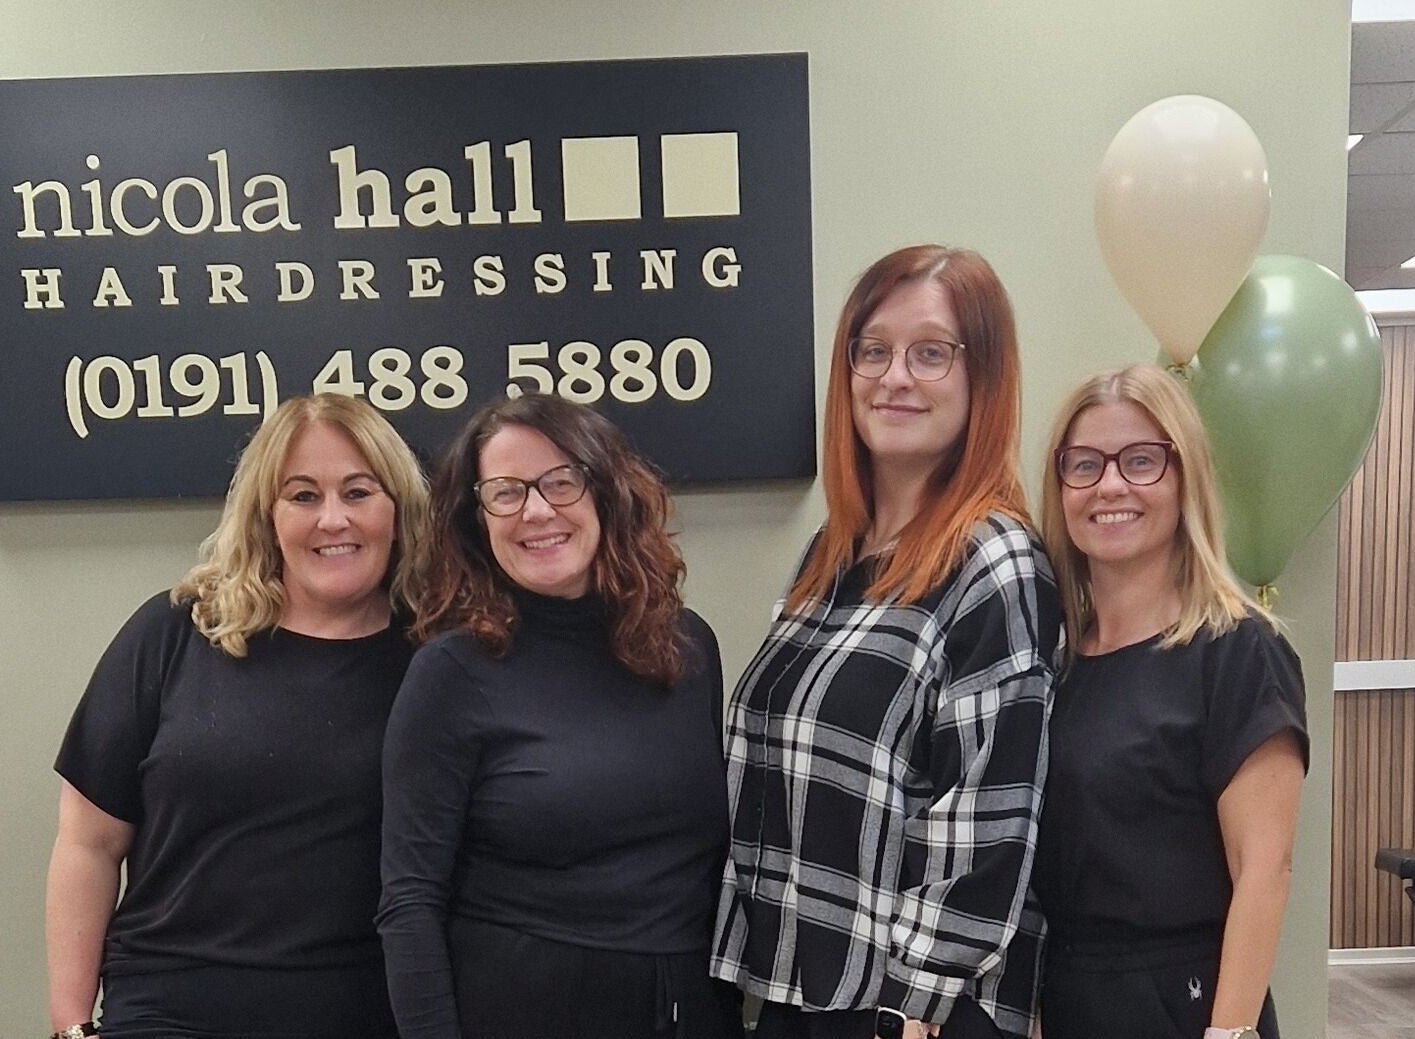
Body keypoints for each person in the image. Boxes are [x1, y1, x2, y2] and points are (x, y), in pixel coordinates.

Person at [711, 245, 1062, 1039]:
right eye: (873, 350)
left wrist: (917, 1001)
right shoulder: (832, 553)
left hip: (908, 1011)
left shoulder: (993, 562)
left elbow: (986, 814)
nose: (894, 376)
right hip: (805, 990)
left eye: (930, 353)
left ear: (983, 376)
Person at [46, 394, 431, 1039]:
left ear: (398, 510)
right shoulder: (176, 631)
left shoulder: (436, 660)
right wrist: (70, 1027)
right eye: (302, 496)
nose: (333, 519)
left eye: (358, 492)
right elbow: (89, 843)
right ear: (266, 516)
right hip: (167, 1012)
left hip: (364, 1012)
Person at [376, 393, 743, 1039]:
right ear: (477, 519)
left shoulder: (686, 647)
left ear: (605, 492)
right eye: (506, 492)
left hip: (688, 1009)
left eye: (560, 481)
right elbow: (410, 901)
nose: (537, 510)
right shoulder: (451, 673)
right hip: (521, 1008)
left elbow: (709, 869)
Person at [1033, 364, 1308, 1039]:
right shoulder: (1052, 664)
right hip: (1069, 997)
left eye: (1141, 460)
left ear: (1186, 478)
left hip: (1188, 1006)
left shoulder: (1238, 650)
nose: (1110, 485)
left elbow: (1264, 870)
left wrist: (1228, 1033)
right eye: (1085, 464)